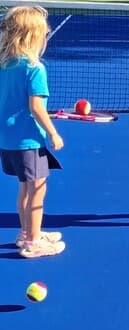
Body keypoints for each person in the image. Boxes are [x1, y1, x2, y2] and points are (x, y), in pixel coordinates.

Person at [0, 6, 67, 258]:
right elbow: (36, 107)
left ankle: (27, 232)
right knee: (38, 189)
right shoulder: (34, 68)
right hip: (29, 140)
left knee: (24, 188)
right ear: (34, 37)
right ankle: (33, 242)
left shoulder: (5, 65)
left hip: (8, 140)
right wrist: (53, 133)